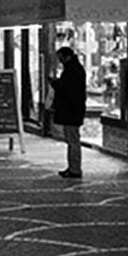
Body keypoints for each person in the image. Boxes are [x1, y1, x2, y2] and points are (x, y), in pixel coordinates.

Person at [49, 46, 87, 178]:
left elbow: (68, 89)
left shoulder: (72, 70)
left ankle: (75, 169)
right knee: (72, 140)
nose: (60, 61)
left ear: (66, 56)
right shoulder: (74, 68)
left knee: (73, 140)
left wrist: (55, 84)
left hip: (71, 111)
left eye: (60, 58)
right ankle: (72, 167)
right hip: (73, 110)